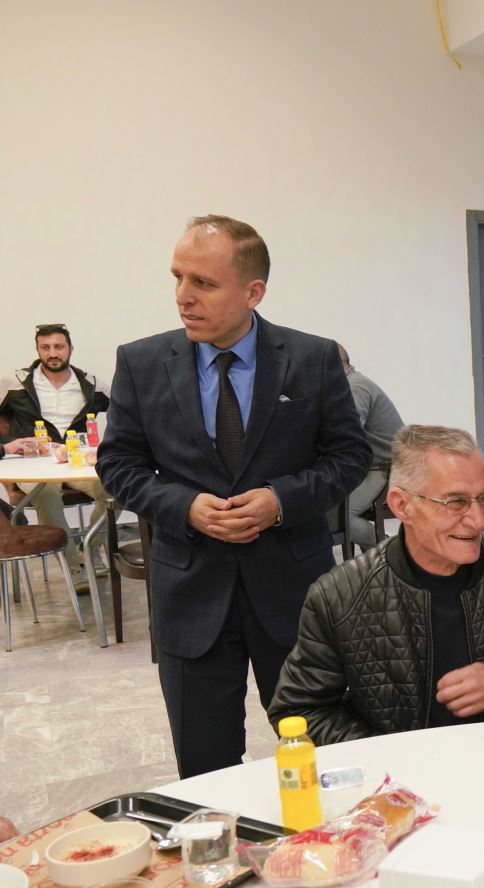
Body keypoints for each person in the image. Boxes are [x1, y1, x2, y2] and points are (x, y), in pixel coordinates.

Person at [97, 215, 369, 778]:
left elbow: (349, 457)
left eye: (203, 283)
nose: (183, 296)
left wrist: (280, 500)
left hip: (293, 593)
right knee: (206, 772)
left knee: (321, 758)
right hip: (190, 594)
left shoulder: (312, 358)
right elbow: (118, 464)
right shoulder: (141, 363)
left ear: (253, 292)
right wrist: (184, 507)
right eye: (177, 277)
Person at [270, 425, 484, 741]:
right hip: (400, 777)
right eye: (456, 502)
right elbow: (300, 711)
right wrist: (391, 757)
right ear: (402, 506)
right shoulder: (340, 596)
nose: (478, 520)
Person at [0, 323, 112, 589]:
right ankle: (73, 567)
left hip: (76, 462)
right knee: (47, 493)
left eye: (59, 347)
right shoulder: (15, 383)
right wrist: (8, 455)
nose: (52, 353)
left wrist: (109, 448)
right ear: (37, 350)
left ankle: (91, 548)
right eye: (45, 347)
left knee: (115, 488)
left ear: (70, 349)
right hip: (32, 465)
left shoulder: (91, 385)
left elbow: (126, 412)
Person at [332, 341, 404, 549]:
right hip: (371, 466)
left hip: (384, 468)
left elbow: (347, 432)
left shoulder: (355, 387)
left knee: (343, 516)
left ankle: (389, 551)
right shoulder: (349, 385)